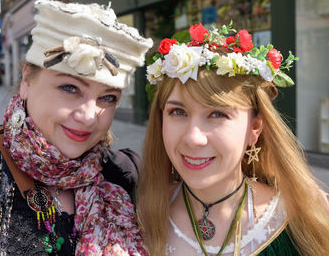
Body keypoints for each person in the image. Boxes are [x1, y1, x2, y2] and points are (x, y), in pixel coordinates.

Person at [0, 0, 152, 255]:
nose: (89, 117)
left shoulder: (125, 177)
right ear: (26, 80)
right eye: (70, 88)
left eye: (108, 98)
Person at [137, 22, 329, 255]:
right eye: (178, 112)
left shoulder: (298, 221)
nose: (193, 138)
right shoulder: (131, 216)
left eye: (217, 114)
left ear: (255, 128)